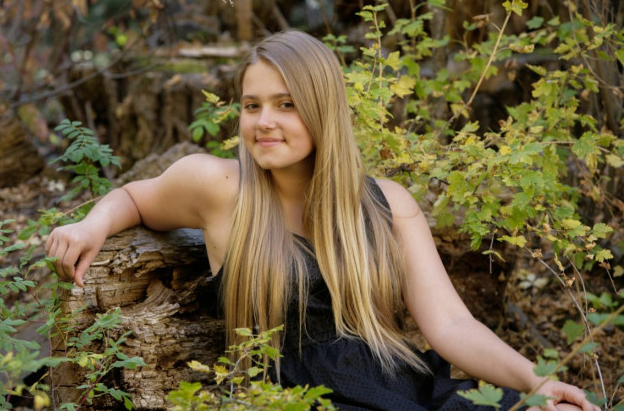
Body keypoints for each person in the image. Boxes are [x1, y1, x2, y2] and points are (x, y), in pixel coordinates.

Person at [47, 30, 597, 411]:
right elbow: (136, 197)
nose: (264, 122)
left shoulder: (388, 204)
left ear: (321, 109)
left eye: (286, 105)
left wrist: (535, 379)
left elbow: (450, 326)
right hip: (293, 396)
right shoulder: (218, 187)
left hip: (395, 385)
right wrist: (90, 226)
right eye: (251, 105)